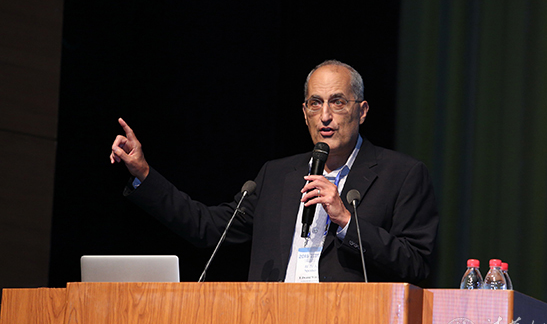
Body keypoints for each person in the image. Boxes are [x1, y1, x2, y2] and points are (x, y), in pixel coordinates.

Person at [110, 60, 438, 284]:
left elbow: (416, 263)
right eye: (315, 103)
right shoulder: (277, 175)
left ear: (362, 111)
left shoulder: (402, 175)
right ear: (305, 113)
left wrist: (346, 221)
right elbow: (207, 227)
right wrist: (144, 173)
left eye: (337, 102)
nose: (325, 115)